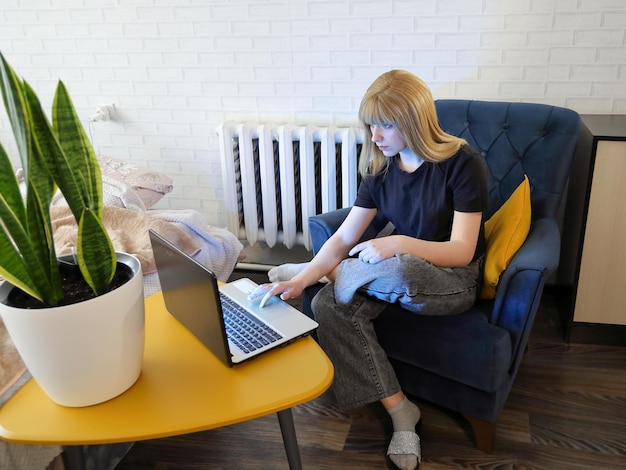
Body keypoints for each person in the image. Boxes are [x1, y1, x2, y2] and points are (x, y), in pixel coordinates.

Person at [249, 70, 488, 470]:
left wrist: (398, 243)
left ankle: (331, 272)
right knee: (327, 304)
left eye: (387, 124)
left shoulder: (462, 163)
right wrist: (300, 282)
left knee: (403, 272)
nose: (375, 135)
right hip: (388, 271)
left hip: (448, 279)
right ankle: (400, 412)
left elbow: (462, 252)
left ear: (414, 119)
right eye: (371, 124)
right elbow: (343, 238)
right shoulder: (379, 167)